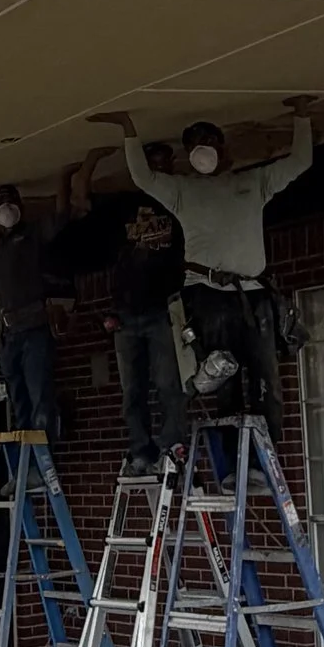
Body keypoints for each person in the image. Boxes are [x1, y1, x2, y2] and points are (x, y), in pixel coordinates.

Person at [98, 108, 315, 420]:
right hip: (208, 293)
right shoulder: (183, 190)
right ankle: (233, 464)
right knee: (221, 375)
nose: (202, 147)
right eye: (194, 143)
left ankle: (265, 455)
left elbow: (300, 161)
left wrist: (302, 116)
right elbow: (143, 177)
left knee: (265, 376)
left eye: (208, 139)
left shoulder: (255, 181)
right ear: (188, 155)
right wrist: (128, 129)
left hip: (253, 294)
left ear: (222, 146)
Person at [0, 183, 66, 445]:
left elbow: (61, 217)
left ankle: (41, 458)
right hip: (9, 332)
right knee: (18, 399)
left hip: (34, 326)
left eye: (10, 203)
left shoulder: (33, 234)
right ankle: (25, 458)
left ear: (21, 207)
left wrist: (65, 179)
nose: (6, 210)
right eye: (1, 204)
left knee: (39, 394)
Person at [108, 200, 186, 468]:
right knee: (132, 389)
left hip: (160, 309)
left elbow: (180, 263)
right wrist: (111, 309)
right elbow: (112, 265)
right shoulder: (123, 210)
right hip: (126, 315)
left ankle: (171, 445)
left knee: (168, 382)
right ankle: (141, 448)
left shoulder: (174, 208)